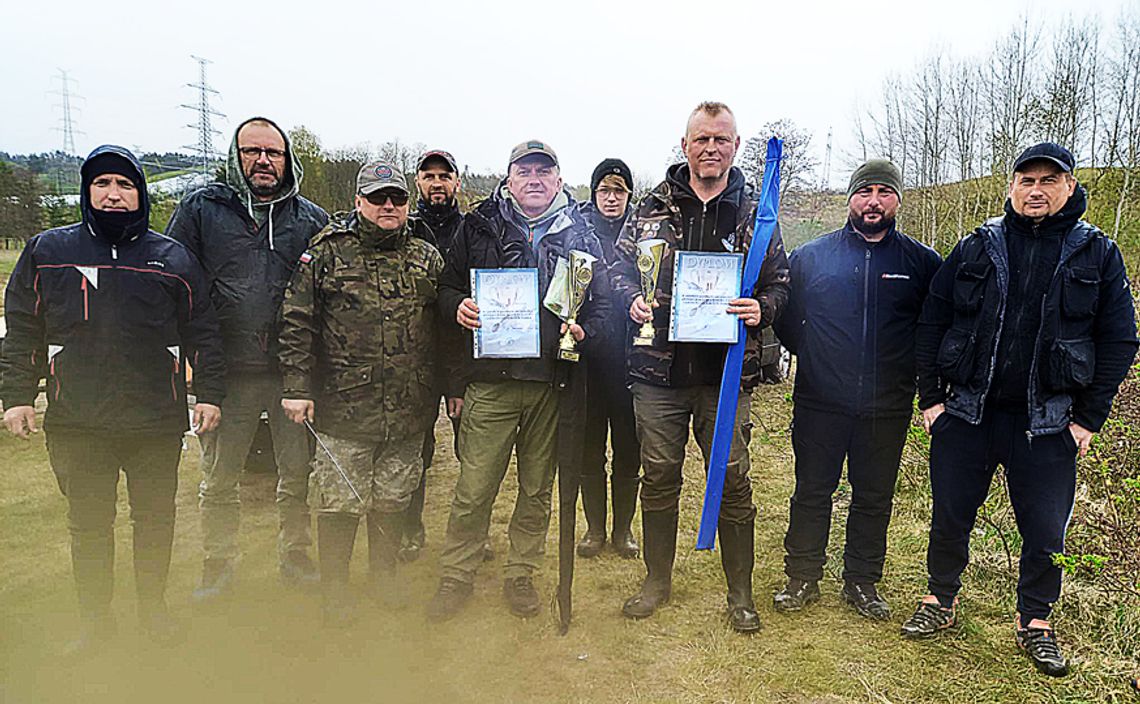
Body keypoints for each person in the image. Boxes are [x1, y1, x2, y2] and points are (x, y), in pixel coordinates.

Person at [904, 143, 1138, 678]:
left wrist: (1088, 419)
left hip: (1049, 422)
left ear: (1069, 189)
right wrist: (932, 400)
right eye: (1026, 180)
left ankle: (1036, 622)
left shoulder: (1097, 253)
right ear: (1011, 186)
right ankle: (940, 600)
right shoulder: (978, 245)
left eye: (1048, 181)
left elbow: (1120, 340)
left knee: (1045, 530)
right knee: (950, 516)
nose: (1036, 190)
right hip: (966, 414)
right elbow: (931, 322)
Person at [1, 145, 226, 652]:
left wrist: (209, 393)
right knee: (89, 526)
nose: (114, 194)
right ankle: (95, 622)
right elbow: (21, 329)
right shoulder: (47, 252)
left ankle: (154, 612)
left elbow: (204, 332)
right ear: (88, 191)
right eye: (103, 183)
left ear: (140, 194)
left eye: (125, 185)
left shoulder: (171, 258)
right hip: (78, 422)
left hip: (154, 422)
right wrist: (16, 396)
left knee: (154, 520)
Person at [610, 102, 790, 633]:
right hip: (658, 376)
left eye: (721, 139)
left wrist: (765, 308)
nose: (710, 148)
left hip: (728, 377)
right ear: (684, 145)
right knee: (660, 477)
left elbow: (781, 280)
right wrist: (630, 300)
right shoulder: (649, 208)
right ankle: (656, 582)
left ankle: (740, 593)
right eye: (701, 139)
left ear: (736, 146)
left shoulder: (759, 213)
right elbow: (618, 270)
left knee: (733, 479)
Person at [428, 140, 609, 621]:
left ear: (557, 179)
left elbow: (605, 305)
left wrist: (585, 329)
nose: (533, 178)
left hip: (553, 383)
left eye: (542, 171)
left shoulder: (583, 236)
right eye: (523, 170)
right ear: (508, 178)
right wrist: (457, 307)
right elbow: (445, 288)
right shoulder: (478, 224)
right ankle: (457, 572)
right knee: (474, 486)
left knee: (536, 489)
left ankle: (521, 572)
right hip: (491, 380)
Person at [166, 116, 329, 602]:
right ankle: (217, 564)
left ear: (287, 159)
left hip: (290, 373)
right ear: (236, 157)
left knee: (296, 474)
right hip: (224, 372)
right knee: (219, 478)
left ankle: (296, 555)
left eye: (273, 152)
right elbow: (175, 284)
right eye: (252, 151)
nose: (263, 160)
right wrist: (190, 363)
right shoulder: (201, 210)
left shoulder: (310, 219)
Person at [771, 159, 941, 620]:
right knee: (812, 489)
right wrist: (815, 356)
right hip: (819, 401)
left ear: (898, 201)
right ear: (850, 199)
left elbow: (933, 329)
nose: (873, 202)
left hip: (886, 404)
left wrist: (920, 385)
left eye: (884, 193)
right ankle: (802, 576)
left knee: (873, 496)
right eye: (865, 192)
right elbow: (787, 320)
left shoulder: (922, 263)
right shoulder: (812, 258)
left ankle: (862, 582)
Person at [278, 161, 442, 626]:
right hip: (343, 407)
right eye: (377, 198)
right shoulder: (326, 254)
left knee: (393, 495)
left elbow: (443, 331)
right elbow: (296, 321)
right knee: (339, 500)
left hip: (409, 408)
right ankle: (335, 587)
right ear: (358, 202)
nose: (388, 206)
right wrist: (296, 386)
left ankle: (384, 575)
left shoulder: (427, 257)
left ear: (408, 203)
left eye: (396, 198)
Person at [401, 148, 466, 563]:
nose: (437, 182)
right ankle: (410, 529)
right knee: (414, 450)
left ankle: (470, 531)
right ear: (418, 182)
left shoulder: (473, 229)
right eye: (429, 176)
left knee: (473, 452)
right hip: (415, 358)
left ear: (457, 182)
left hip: (463, 357)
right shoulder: (404, 229)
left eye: (445, 175)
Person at [576, 158, 642, 559]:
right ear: (594, 193)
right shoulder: (576, 233)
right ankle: (594, 530)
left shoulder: (644, 237)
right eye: (604, 190)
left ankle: (623, 530)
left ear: (628, 196)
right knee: (589, 448)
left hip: (633, 360)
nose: (611, 198)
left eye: (619, 191)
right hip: (587, 358)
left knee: (628, 449)